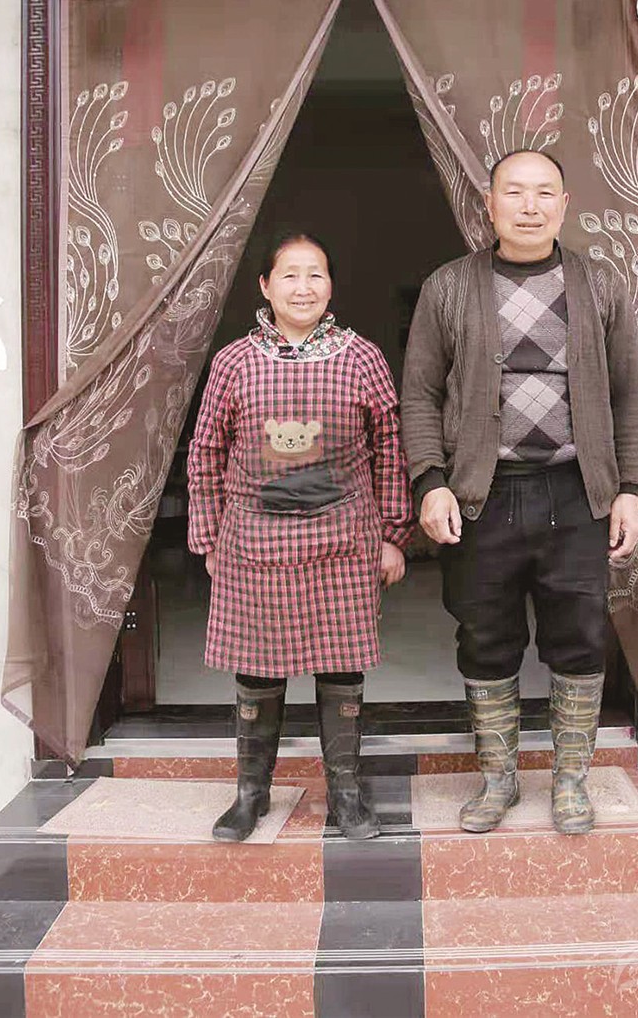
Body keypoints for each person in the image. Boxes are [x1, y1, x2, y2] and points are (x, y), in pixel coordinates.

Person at [401, 150, 638, 836]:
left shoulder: (599, 284)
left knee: (581, 637)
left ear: (564, 205)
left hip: (577, 492)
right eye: (514, 192)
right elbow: (419, 393)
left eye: (544, 193)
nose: (530, 205)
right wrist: (431, 481)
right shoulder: (449, 287)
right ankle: (499, 779)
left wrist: (629, 488)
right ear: (489, 204)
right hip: (483, 495)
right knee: (485, 637)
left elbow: (631, 394)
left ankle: (570, 781)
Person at [188, 232, 413, 842]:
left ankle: (346, 793)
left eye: (315, 274)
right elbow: (205, 450)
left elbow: (390, 449)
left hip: (342, 539)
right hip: (253, 542)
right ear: (265, 286)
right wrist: (208, 538)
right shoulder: (234, 362)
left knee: (341, 665)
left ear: (331, 285)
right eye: (289, 275)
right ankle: (250, 793)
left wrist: (394, 535)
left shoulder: (361, 357)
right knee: (257, 668)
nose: (303, 287)